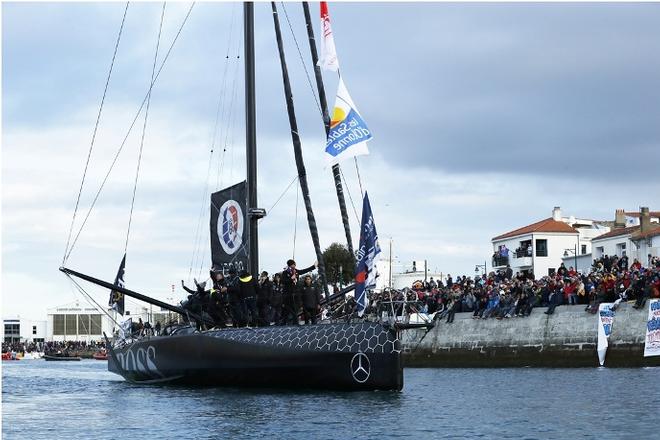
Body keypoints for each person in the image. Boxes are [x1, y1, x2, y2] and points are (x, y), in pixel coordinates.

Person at [281, 259, 317, 325]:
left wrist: (313, 266)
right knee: (288, 310)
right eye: (293, 264)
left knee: (295, 310)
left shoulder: (296, 272)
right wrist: (291, 278)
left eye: (294, 264)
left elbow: (304, 271)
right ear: (290, 265)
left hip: (296, 294)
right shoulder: (285, 272)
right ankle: (285, 323)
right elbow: (283, 281)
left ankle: (295, 323)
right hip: (288, 295)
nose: (294, 266)